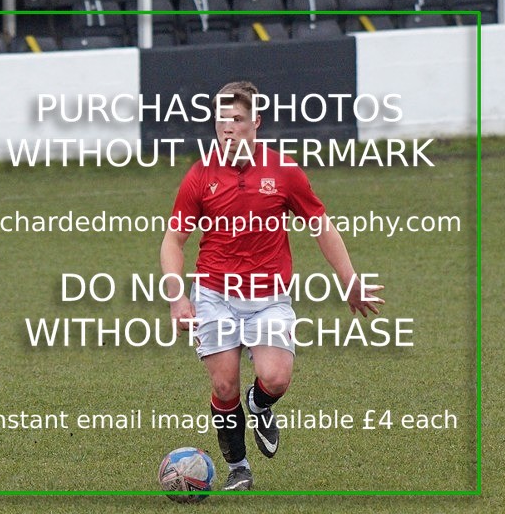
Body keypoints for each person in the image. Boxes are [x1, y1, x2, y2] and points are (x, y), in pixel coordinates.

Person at [160, 80, 384, 491]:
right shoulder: (200, 175)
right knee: (223, 383)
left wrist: (350, 280)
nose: (228, 127)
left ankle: (260, 403)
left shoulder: (284, 172)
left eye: (238, 119)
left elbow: (321, 226)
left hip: (268, 298)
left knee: (277, 378)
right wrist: (177, 296)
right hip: (214, 293)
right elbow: (173, 240)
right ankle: (238, 466)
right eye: (221, 119)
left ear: (256, 122)